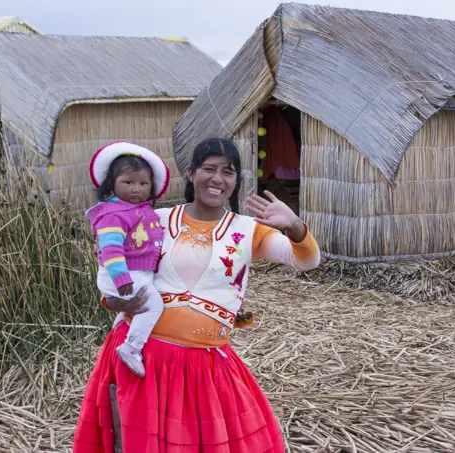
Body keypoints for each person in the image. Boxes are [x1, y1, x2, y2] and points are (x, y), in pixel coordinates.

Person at [74, 138, 320, 453]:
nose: (217, 178)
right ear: (191, 173)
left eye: (228, 172)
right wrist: (113, 301)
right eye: (209, 169)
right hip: (142, 362)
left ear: (235, 182)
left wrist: (295, 226)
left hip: (203, 370)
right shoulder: (155, 220)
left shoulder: (246, 231)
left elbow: (306, 261)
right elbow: (116, 272)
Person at [86, 142, 170, 377]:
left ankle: (117, 336)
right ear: (111, 185)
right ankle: (132, 347)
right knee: (153, 304)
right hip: (124, 274)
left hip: (135, 273)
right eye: (128, 182)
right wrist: (121, 277)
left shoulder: (141, 211)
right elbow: (110, 248)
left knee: (132, 311)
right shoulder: (113, 214)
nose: (136, 189)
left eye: (143, 184)